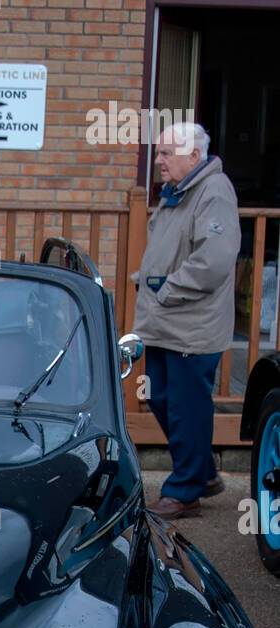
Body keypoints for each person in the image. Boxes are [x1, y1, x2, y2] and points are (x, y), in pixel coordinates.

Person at [132, 122, 241, 519]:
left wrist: (165, 288)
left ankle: (185, 491)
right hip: (165, 322)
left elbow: (212, 262)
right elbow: (169, 247)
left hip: (191, 326)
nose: (158, 160)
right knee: (160, 398)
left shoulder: (214, 191)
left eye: (166, 153)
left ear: (194, 156)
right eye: (158, 152)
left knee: (185, 407)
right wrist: (146, 280)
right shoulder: (177, 192)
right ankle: (205, 474)